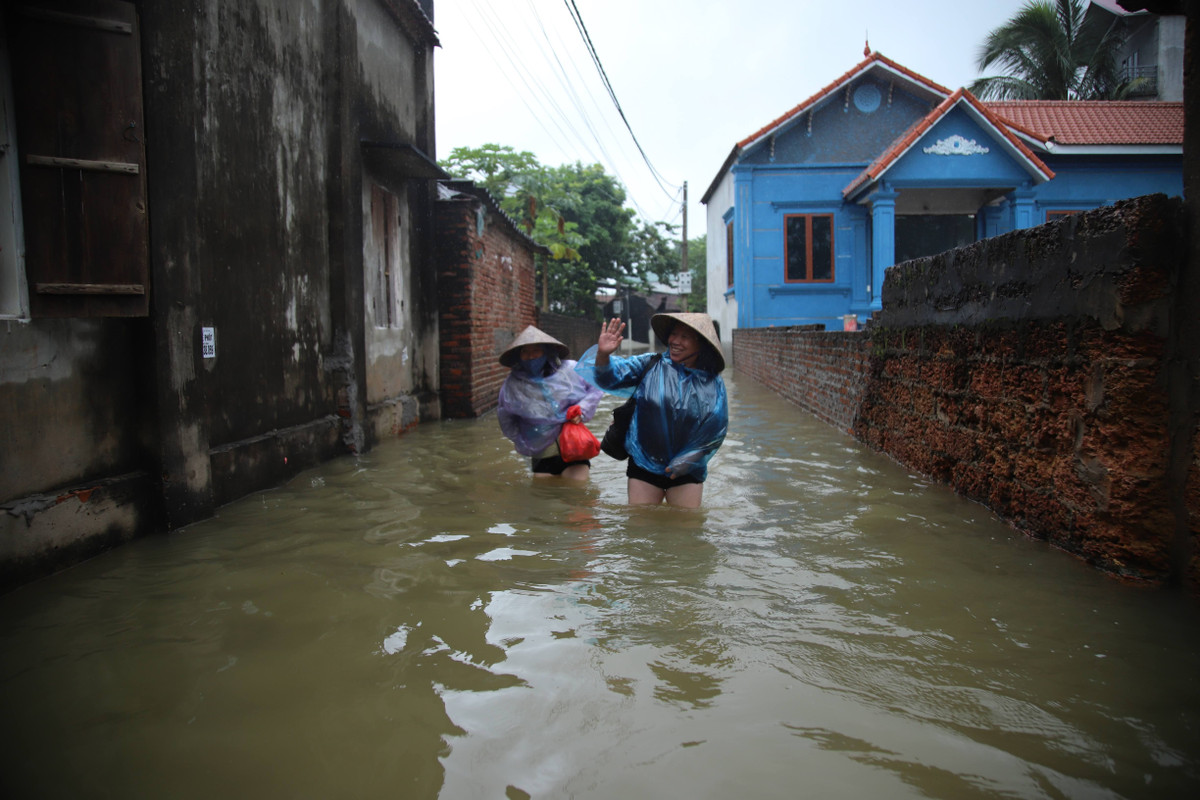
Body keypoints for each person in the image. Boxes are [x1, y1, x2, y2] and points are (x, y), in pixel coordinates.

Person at [575, 313, 728, 508]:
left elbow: (716, 430)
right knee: (640, 528)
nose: (675, 341)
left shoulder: (712, 382)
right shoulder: (651, 364)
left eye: (685, 337)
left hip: (687, 469)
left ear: (702, 343)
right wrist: (603, 355)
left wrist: (689, 459)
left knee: (686, 530)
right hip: (643, 462)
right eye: (674, 334)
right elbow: (609, 378)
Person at [497, 326, 603, 481]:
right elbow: (505, 418)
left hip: (573, 444)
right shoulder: (511, 385)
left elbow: (595, 388)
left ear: (546, 351)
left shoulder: (571, 369)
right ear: (518, 356)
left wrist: (582, 410)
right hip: (541, 451)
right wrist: (522, 440)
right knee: (545, 497)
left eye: (536, 351)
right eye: (525, 352)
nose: (531, 356)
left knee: (578, 493)